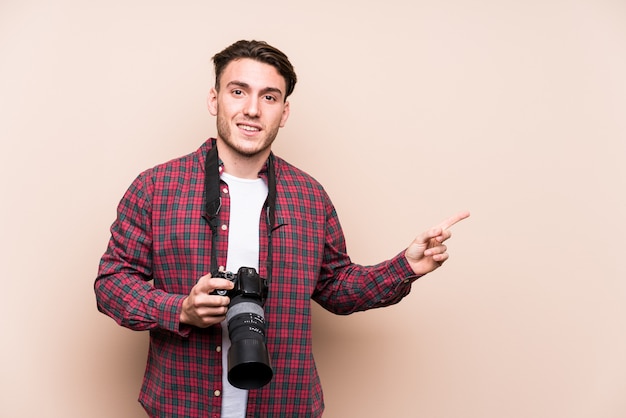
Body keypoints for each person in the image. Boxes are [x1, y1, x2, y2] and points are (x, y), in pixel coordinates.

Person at [94, 39, 469, 418]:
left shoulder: (309, 196)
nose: (252, 109)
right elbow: (111, 282)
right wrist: (181, 310)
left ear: (284, 111)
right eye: (238, 91)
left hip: (285, 405)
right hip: (183, 404)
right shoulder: (156, 187)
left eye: (269, 97)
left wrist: (405, 265)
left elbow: (335, 287)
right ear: (214, 100)